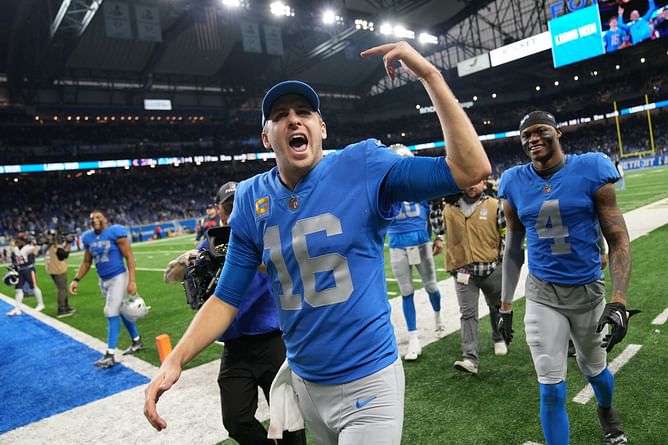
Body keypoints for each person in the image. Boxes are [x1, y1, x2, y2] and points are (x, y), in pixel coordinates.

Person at [144, 41, 491, 444]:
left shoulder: (363, 164)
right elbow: (226, 297)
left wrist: (430, 77)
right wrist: (177, 357)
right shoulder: (252, 198)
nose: (294, 120)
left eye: (304, 112)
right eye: (280, 116)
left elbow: (471, 169)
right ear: (265, 136)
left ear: (321, 128)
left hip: (369, 380)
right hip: (306, 383)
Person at [497, 111, 635, 445]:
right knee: (550, 387)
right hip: (543, 293)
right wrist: (504, 305)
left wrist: (619, 300)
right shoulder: (513, 180)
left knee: (596, 371)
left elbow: (619, 240)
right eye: (525, 134)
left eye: (540, 131)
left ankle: (606, 410)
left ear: (558, 133)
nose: (533, 138)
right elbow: (514, 248)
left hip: (587, 291)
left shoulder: (589, 168)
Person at [164, 182, 306, 445]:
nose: (233, 212)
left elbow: (279, 263)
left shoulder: (263, 231)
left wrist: (238, 259)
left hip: (272, 339)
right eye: (228, 207)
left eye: (238, 205)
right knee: (235, 420)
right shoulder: (214, 241)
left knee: (289, 422)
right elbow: (169, 277)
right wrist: (186, 261)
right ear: (219, 210)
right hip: (234, 345)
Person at [434, 180, 507, 375]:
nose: (472, 185)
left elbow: (505, 235)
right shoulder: (450, 206)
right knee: (467, 314)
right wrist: (435, 204)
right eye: (469, 181)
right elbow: (438, 228)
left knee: (496, 305)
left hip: (491, 268)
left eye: (477, 181)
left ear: (484, 183)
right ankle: (470, 358)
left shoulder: (494, 204)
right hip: (463, 271)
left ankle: (498, 336)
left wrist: (502, 262)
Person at [386, 144, 445, 362]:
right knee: (406, 291)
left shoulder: (420, 187)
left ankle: (438, 318)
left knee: (431, 286)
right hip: (397, 244)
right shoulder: (385, 189)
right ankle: (413, 337)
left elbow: (435, 209)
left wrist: (439, 235)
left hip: (420, 242)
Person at [69, 210, 144, 368]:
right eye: (92, 218)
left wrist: (132, 281)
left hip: (118, 277)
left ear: (105, 219)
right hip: (103, 280)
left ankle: (110, 355)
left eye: (98, 217)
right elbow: (86, 262)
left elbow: (129, 256)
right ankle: (137, 341)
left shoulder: (115, 232)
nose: (95, 220)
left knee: (111, 312)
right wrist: (76, 279)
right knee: (121, 311)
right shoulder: (88, 237)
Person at [6, 232, 45, 316]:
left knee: (34, 286)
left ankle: (41, 304)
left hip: (29, 269)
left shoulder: (28, 247)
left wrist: (34, 244)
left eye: (19, 240)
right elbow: (15, 260)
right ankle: (17, 308)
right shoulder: (16, 249)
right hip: (21, 270)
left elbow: (36, 253)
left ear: (24, 241)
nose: (17, 241)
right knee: (18, 289)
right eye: (17, 239)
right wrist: (13, 267)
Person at [43, 229, 76, 318]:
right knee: (62, 289)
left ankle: (66, 306)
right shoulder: (55, 247)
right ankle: (62, 309)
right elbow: (64, 255)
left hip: (51, 269)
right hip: (58, 269)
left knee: (63, 288)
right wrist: (68, 243)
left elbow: (59, 251)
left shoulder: (46, 246)